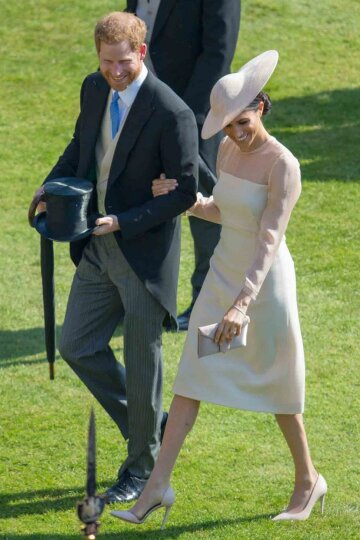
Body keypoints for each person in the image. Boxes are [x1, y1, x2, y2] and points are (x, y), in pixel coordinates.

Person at [111, 50, 327, 527]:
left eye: (243, 122)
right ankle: (155, 489)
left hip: (262, 287)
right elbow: (226, 211)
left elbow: (268, 239)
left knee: (279, 390)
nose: (235, 133)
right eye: (228, 126)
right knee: (191, 379)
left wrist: (243, 306)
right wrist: (187, 202)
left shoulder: (283, 165)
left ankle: (308, 481)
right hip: (221, 275)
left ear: (262, 107)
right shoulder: (229, 149)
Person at [29, 12, 198, 503]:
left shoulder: (172, 112)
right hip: (96, 245)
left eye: (123, 62)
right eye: (107, 63)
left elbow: (185, 192)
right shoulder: (93, 87)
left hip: (143, 256)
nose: (115, 72)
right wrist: (52, 182)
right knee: (77, 345)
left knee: (144, 364)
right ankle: (152, 429)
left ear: (140, 53)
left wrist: (125, 220)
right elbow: (82, 144)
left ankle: (143, 470)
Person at [126, 0, 241, 330]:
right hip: (144, 106)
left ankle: (210, 301)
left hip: (196, 116)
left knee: (205, 210)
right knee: (148, 197)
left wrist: (188, 117)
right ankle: (147, 298)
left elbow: (218, 51)